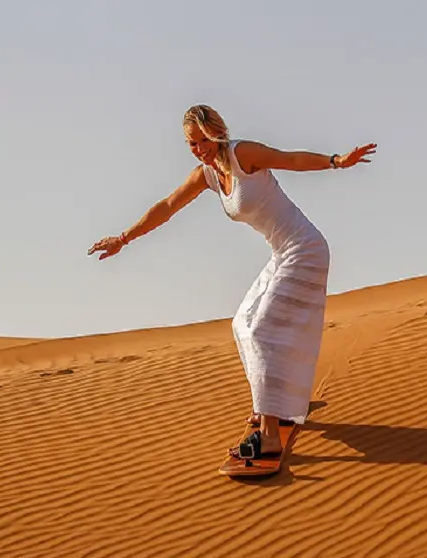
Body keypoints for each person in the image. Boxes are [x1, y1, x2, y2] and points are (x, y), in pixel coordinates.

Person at [88, 104, 376, 460]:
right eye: (191, 144)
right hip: (281, 252)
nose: (199, 148)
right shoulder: (207, 175)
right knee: (242, 325)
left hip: (306, 249)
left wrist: (336, 161)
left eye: (203, 139)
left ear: (217, 131)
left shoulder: (243, 154)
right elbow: (167, 206)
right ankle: (273, 402)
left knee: (262, 331)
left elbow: (291, 160)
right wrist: (124, 237)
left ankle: (269, 432)